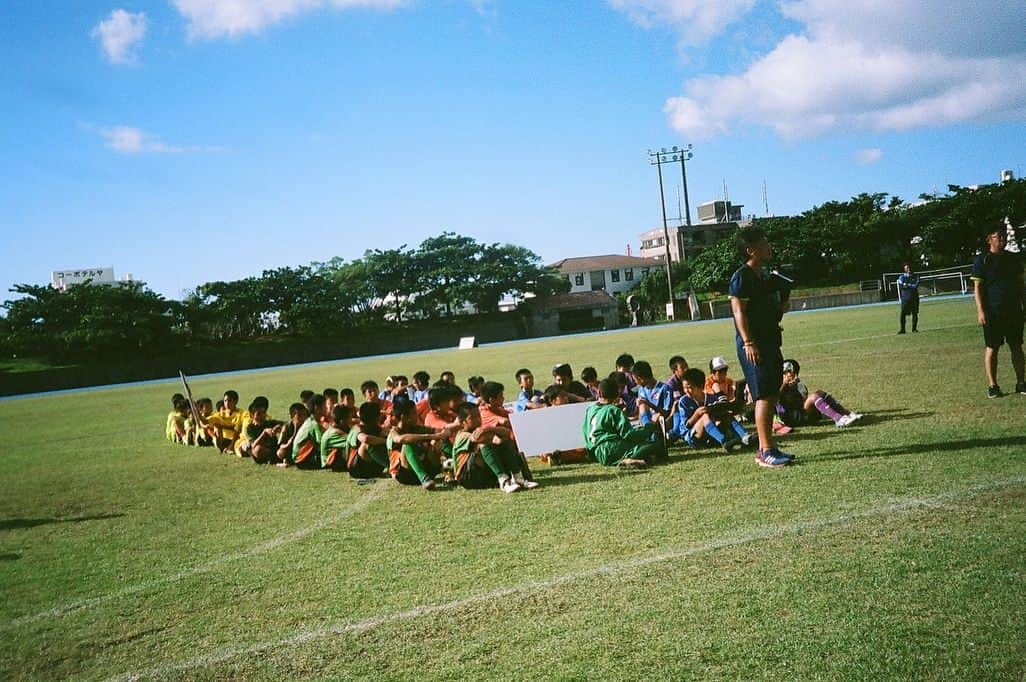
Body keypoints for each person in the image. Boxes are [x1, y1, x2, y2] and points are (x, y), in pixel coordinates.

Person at [728, 226, 793, 468]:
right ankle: (765, 451)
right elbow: (738, 311)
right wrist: (748, 342)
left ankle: (768, 447)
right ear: (750, 249)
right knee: (763, 395)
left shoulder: (765, 276)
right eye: (764, 243)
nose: (769, 247)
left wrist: (781, 307)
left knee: (772, 391)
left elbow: (765, 311)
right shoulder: (742, 276)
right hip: (753, 345)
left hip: (770, 340)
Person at [971, 225, 1025, 397]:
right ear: (989, 240)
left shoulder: (1013, 259)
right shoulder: (982, 260)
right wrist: (981, 311)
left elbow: (1021, 285)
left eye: (1004, 237)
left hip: (1014, 310)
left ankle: (1021, 382)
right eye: (997, 237)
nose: (1002, 240)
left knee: (1016, 346)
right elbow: (977, 288)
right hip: (992, 312)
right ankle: (993, 385)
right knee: (992, 348)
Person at [452, 402, 534, 492]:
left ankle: (518, 477)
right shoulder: (462, 436)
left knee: (505, 441)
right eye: (472, 418)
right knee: (483, 444)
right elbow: (479, 438)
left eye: (478, 416)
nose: (478, 419)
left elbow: (507, 433)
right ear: (463, 422)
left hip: (484, 474)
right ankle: (504, 480)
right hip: (468, 477)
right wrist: (494, 437)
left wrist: (489, 429)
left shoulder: (481, 429)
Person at [583, 378, 665, 468]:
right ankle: (627, 460)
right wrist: (650, 425)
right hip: (611, 447)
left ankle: (628, 460)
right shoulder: (613, 410)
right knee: (655, 445)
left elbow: (585, 431)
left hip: (597, 452)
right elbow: (629, 434)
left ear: (599, 393)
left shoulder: (590, 409)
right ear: (617, 395)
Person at [667, 368, 750, 452]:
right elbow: (686, 425)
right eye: (685, 388)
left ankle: (745, 436)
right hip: (693, 436)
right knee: (705, 416)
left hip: (709, 434)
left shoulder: (711, 398)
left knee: (725, 414)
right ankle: (724, 441)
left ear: (701, 387)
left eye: (690, 388)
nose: (687, 391)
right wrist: (696, 414)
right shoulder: (684, 401)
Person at [777, 359, 862, 428]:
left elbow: (802, 400)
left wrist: (795, 388)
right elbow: (775, 398)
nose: (788, 375)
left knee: (819, 393)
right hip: (790, 418)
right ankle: (839, 419)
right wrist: (784, 384)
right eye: (786, 372)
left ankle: (846, 414)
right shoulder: (776, 385)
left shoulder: (798, 385)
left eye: (790, 372)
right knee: (813, 397)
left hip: (800, 414)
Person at [388, 397, 446, 489]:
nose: (417, 415)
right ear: (404, 417)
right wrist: (428, 436)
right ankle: (424, 479)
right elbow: (400, 439)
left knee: (436, 441)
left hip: (426, 468)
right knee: (407, 444)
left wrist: (440, 434)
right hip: (406, 474)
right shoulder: (394, 432)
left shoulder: (417, 428)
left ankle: (449, 470)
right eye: (414, 413)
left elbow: (439, 431)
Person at [346, 402, 390, 478]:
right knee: (367, 444)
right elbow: (365, 439)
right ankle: (392, 466)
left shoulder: (376, 428)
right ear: (376, 417)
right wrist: (386, 441)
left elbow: (389, 434)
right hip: (357, 469)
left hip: (373, 466)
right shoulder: (357, 428)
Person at [632, 360, 673, 432]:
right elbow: (641, 413)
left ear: (640, 378)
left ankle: (649, 432)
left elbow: (667, 413)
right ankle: (646, 430)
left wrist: (650, 404)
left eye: (635, 380)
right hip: (647, 422)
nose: (635, 382)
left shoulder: (664, 388)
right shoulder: (641, 389)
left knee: (657, 416)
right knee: (642, 405)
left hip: (660, 421)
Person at [291, 394, 326, 469]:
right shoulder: (314, 424)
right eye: (324, 406)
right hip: (302, 459)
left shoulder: (310, 421)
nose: (326, 408)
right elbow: (322, 443)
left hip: (300, 458)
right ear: (317, 408)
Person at [246, 399, 284, 464]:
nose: (262, 416)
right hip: (261, 450)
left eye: (264, 413)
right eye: (258, 414)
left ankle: (274, 458)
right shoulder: (250, 428)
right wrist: (264, 433)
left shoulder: (270, 423)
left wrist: (279, 427)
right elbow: (253, 445)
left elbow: (286, 424)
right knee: (257, 450)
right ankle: (273, 458)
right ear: (252, 415)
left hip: (273, 449)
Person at [320, 405, 354, 472]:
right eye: (350, 418)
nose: (351, 420)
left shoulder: (337, 429)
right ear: (342, 421)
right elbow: (353, 441)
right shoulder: (335, 432)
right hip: (329, 462)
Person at [896, 263, 921, 334]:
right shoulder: (901, 277)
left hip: (914, 298)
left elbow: (915, 286)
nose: (909, 269)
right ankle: (902, 329)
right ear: (904, 269)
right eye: (907, 268)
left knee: (915, 313)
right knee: (902, 314)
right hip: (905, 299)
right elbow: (901, 286)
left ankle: (914, 329)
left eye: (909, 267)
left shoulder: (916, 276)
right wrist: (909, 286)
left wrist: (907, 285)